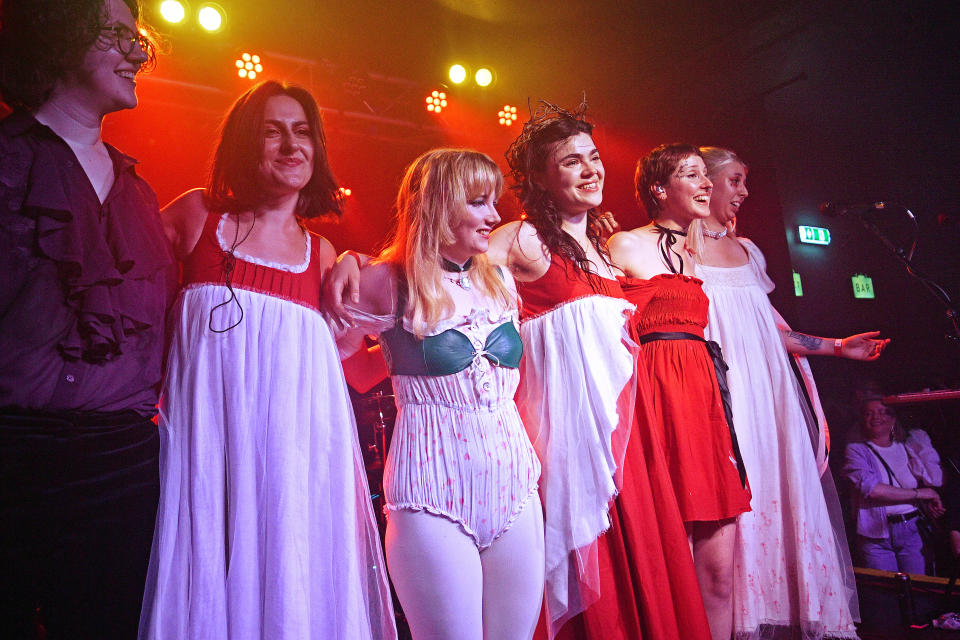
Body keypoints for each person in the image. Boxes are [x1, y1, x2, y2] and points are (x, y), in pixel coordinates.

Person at [137, 81, 396, 639]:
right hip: (201, 460)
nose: (290, 145)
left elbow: (349, 367)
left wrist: (373, 274)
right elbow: (124, 303)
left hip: (287, 474)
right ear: (243, 144)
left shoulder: (322, 256)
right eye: (272, 132)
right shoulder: (196, 216)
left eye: (302, 132)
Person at [489, 105, 711, 640]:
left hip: (630, 439)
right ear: (540, 178)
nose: (591, 169)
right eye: (571, 162)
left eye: (593, 156)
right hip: (572, 443)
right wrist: (368, 263)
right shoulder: (522, 239)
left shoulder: (598, 247)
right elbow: (448, 266)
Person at [0, 1, 176, 637]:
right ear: (58, 35)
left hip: (120, 459)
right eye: (116, 35)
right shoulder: (8, 163)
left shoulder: (139, 191)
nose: (135, 54)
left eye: (138, 39)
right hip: (13, 449)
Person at [336, 148, 544, 640]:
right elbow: (346, 365)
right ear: (438, 205)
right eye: (479, 202)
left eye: (494, 201)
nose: (494, 215)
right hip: (431, 493)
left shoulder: (499, 281)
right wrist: (348, 259)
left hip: (514, 488)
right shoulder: (387, 281)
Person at [696, 145, 888, 638]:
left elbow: (770, 330)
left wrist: (838, 347)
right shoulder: (675, 249)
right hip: (721, 387)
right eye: (734, 180)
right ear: (704, 181)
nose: (742, 191)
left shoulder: (749, 251)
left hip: (767, 388)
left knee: (779, 489)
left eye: (744, 181)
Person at [608, 143, 752, 640]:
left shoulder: (696, 251)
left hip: (704, 399)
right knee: (668, 562)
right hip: (652, 398)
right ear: (659, 188)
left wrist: (834, 347)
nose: (708, 184)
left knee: (719, 565)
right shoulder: (623, 244)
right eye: (693, 175)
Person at [844, 397, 944, 575]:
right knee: (887, 594)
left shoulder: (908, 447)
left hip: (912, 530)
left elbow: (929, 481)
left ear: (893, 418)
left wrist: (928, 502)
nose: (876, 417)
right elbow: (873, 490)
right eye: (869, 413)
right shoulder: (856, 451)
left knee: (919, 588)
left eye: (882, 412)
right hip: (874, 536)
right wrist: (920, 494)